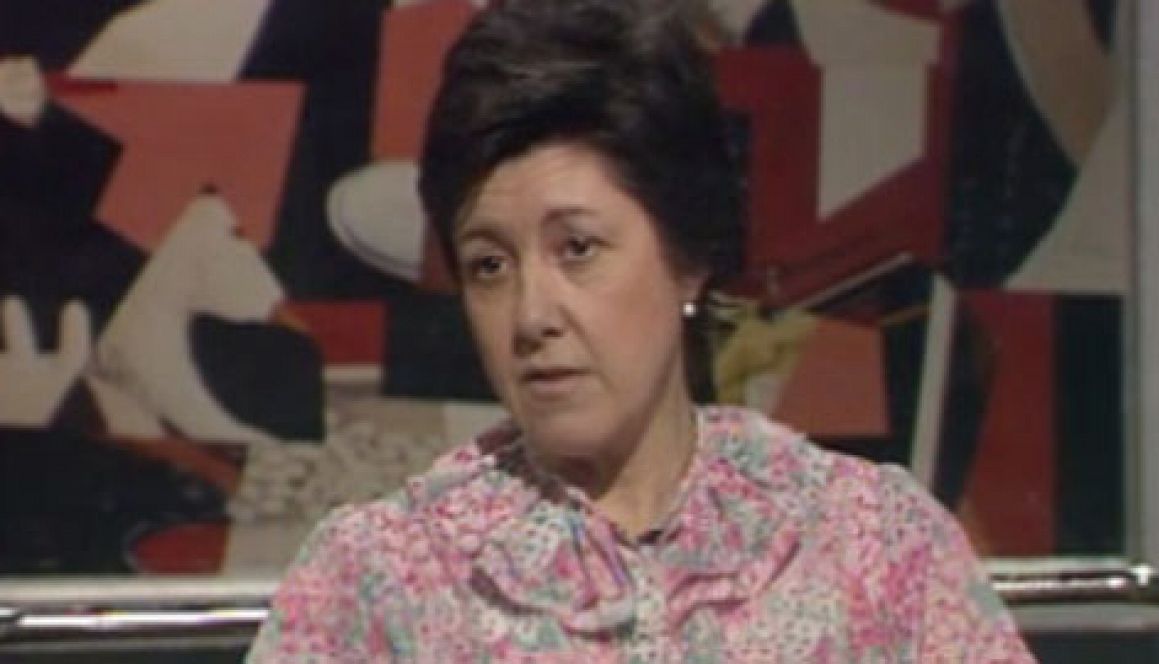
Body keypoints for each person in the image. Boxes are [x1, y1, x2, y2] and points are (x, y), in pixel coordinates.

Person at [247, 0, 1035, 660]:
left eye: (577, 249)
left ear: (687, 259)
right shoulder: (380, 580)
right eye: (489, 265)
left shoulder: (871, 546)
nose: (531, 316)